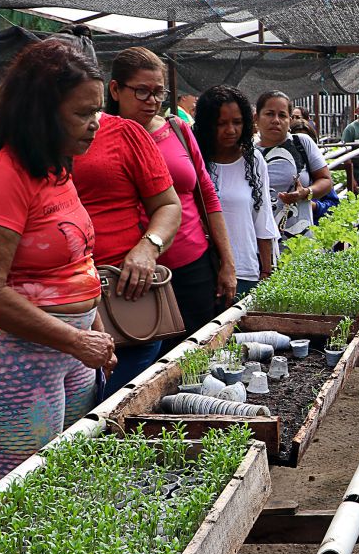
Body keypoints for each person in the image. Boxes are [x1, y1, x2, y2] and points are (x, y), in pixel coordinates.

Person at [0, 39, 116, 482]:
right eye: (83, 113)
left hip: (70, 353)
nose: (95, 124)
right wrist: (77, 340)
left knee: (71, 479)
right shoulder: (0, 172)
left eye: (97, 111)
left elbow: (75, 259)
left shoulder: (51, 163)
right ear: (41, 111)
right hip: (16, 364)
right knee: (30, 492)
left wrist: (94, 328)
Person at [107, 47, 237, 337]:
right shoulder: (97, 138)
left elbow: (206, 193)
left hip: (193, 267)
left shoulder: (177, 129)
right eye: (142, 91)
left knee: (199, 349)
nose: (152, 101)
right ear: (115, 89)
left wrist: (227, 263)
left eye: (158, 92)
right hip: (131, 277)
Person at [73, 111, 183, 399]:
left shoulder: (125, 133)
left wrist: (148, 247)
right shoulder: (23, 143)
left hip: (126, 297)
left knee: (115, 405)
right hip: (60, 307)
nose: (92, 123)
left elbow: (169, 204)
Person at [195, 85, 278, 297]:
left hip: (244, 270)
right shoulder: (194, 161)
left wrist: (266, 271)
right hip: (201, 270)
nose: (231, 130)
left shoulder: (253, 160)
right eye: (221, 123)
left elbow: (263, 218)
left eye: (237, 122)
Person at [256, 90, 334, 238]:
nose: (276, 120)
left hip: (301, 242)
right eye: (269, 114)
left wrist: (306, 193)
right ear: (256, 118)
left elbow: (326, 181)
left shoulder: (301, 143)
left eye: (282, 115)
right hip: (261, 242)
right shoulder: (248, 153)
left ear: (290, 120)